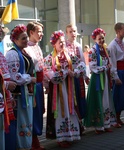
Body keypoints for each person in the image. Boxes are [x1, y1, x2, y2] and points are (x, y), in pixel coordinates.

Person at [43, 30, 85, 148]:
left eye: (63, 42)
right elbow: (47, 73)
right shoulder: (50, 58)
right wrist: (64, 73)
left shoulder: (70, 56)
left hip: (69, 88)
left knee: (70, 109)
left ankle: (71, 134)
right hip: (57, 91)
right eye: (59, 42)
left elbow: (81, 65)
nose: (62, 44)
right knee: (61, 111)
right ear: (54, 44)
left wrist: (75, 72)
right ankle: (61, 137)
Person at [5, 24, 36, 150]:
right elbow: (14, 76)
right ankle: (20, 146)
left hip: (26, 93)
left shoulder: (23, 52)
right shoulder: (12, 54)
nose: (26, 40)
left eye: (26, 38)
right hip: (18, 95)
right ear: (15, 40)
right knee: (20, 122)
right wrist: (30, 79)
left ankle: (25, 145)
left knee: (26, 120)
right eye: (23, 38)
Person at [84, 28, 117, 133]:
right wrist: (105, 68)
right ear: (94, 39)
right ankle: (98, 126)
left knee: (106, 100)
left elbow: (108, 63)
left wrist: (109, 70)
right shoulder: (93, 50)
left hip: (105, 78)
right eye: (99, 39)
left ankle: (106, 123)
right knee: (98, 100)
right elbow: (93, 67)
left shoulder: (104, 49)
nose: (102, 40)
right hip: (97, 79)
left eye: (102, 38)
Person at [24, 21, 45, 150]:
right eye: (39, 31)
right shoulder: (26, 48)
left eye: (42, 31)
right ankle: (32, 142)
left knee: (38, 112)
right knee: (33, 112)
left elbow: (42, 66)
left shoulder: (37, 46)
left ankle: (35, 140)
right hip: (33, 84)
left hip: (40, 83)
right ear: (31, 32)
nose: (41, 34)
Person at [107, 22, 124, 126]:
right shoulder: (113, 45)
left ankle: (119, 117)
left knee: (123, 94)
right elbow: (112, 62)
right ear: (118, 31)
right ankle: (115, 119)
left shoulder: (122, 43)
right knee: (117, 95)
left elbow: (121, 57)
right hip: (119, 72)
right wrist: (115, 77)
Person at [65, 24, 89, 133]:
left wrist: (85, 76)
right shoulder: (64, 46)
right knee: (72, 101)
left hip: (78, 77)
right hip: (69, 78)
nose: (73, 33)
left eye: (74, 31)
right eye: (70, 31)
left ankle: (80, 124)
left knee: (80, 100)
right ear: (67, 33)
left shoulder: (79, 46)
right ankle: (75, 125)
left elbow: (83, 62)